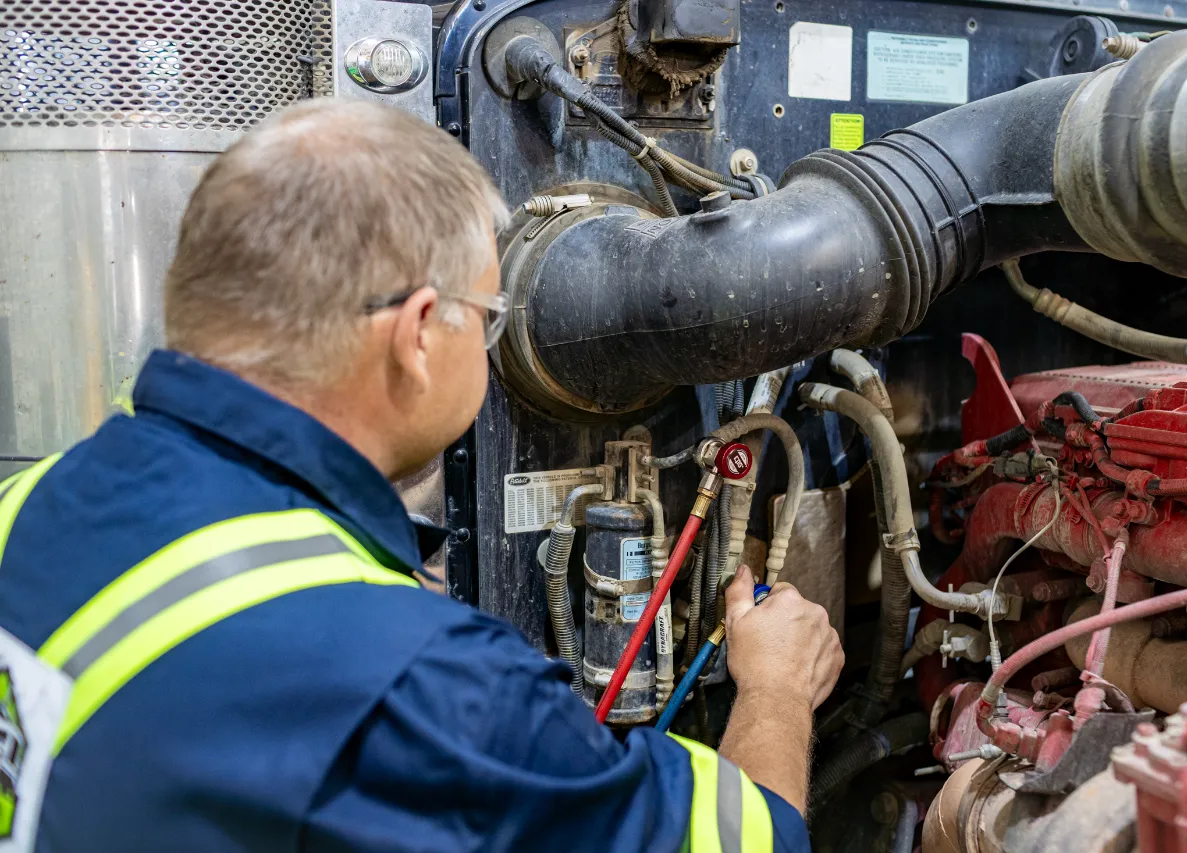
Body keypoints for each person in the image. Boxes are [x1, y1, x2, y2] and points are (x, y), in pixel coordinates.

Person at [0, 100, 843, 852]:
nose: (486, 342)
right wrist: (775, 689)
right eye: (487, 318)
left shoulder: (25, 505)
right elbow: (749, 839)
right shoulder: (422, 689)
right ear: (415, 333)